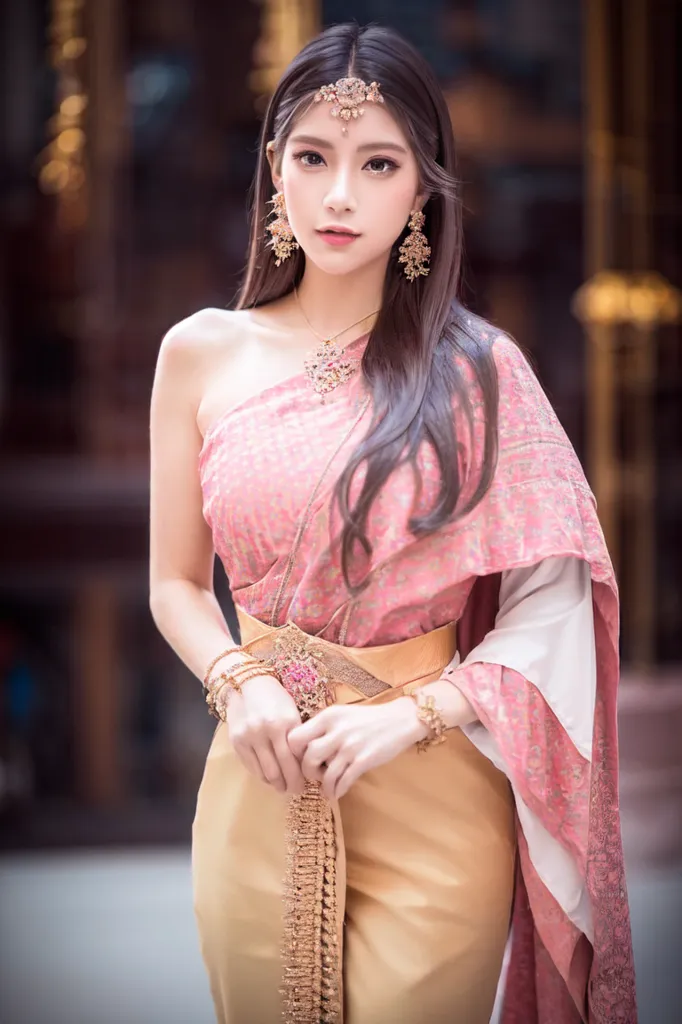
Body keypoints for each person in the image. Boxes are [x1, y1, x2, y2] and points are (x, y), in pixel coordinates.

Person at [149, 22, 637, 1024]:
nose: (338, 196)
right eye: (313, 158)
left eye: (378, 165)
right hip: (258, 772)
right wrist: (236, 681)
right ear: (272, 167)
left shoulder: (478, 372)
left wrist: (410, 715)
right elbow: (175, 584)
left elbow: (549, 610)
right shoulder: (200, 353)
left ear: (421, 189)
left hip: (430, 783)